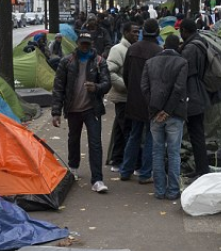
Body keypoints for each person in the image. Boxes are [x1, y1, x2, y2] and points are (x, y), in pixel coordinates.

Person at [52, 32, 112, 193]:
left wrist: (96, 87)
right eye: (82, 43)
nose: (85, 46)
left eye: (87, 44)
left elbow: (107, 83)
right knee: (73, 138)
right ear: (77, 44)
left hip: (92, 109)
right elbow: (58, 87)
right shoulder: (66, 62)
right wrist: (55, 112)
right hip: (73, 109)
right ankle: (73, 167)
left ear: (91, 44)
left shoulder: (99, 62)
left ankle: (97, 179)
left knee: (95, 143)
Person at [142, 35, 188, 200]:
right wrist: (167, 110)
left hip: (155, 115)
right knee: (174, 152)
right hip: (175, 114)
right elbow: (179, 88)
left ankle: (159, 190)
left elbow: (145, 88)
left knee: (157, 151)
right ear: (178, 47)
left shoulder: (150, 63)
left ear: (163, 46)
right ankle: (173, 190)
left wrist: (155, 109)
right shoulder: (182, 63)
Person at [121, 19, 163, 183]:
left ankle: (126, 170)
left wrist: (132, 90)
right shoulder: (159, 51)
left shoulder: (132, 49)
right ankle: (145, 173)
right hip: (151, 101)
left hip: (134, 99)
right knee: (151, 137)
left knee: (134, 135)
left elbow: (126, 74)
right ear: (157, 32)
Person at [178, 19, 211, 178]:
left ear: (184, 30)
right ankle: (201, 168)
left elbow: (184, 72)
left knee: (196, 133)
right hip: (200, 92)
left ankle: (202, 170)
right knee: (197, 132)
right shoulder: (202, 42)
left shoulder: (190, 48)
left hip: (192, 94)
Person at [105, 22, 137, 171]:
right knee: (126, 129)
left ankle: (117, 159)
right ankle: (126, 162)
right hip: (122, 96)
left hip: (125, 96)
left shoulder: (130, 49)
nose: (136, 35)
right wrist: (125, 85)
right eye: (133, 32)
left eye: (138, 32)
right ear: (125, 32)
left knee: (119, 128)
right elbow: (109, 71)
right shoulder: (118, 49)